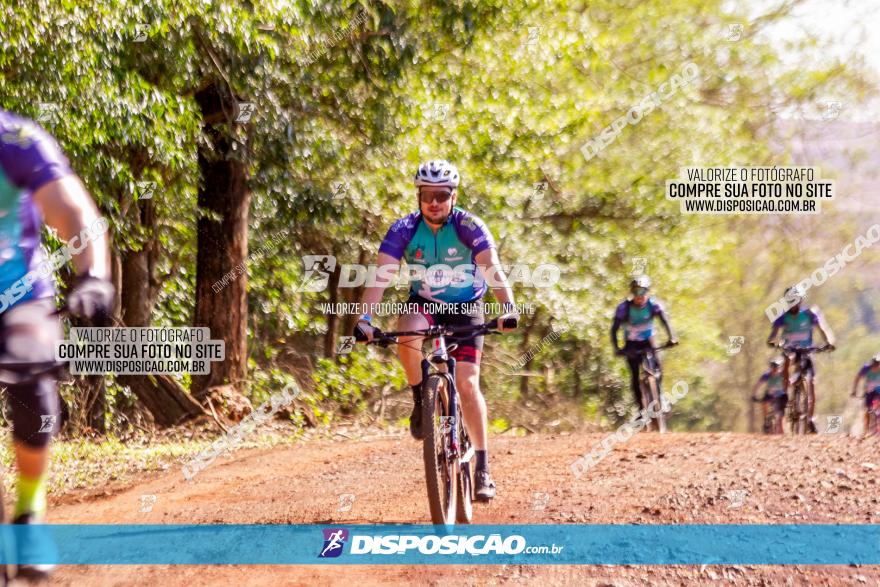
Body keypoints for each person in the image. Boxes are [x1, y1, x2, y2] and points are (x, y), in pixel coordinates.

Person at [354, 159, 518, 502]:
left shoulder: (470, 225)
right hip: (425, 303)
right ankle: (420, 398)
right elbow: (380, 277)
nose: (434, 202)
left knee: (468, 383)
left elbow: (492, 269)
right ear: (418, 196)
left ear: (453, 196)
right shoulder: (403, 229)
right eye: (427, 194)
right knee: (407, 330)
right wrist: (365, 319)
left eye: (441, 195)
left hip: (467, 307)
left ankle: (483, 467)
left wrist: (508, 308)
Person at [0, 110, 115, 580]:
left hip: (18, 295)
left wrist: (92, 276)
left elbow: (74, 214)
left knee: (32, 379)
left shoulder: (16, 140)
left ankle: (30, 510)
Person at [766, 284, 834, 434]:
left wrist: (829, 342)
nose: (793, 304)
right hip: (790, 349)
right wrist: (772, 341)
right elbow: (773, 334)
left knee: (811, 382)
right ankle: (784, 393)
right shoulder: (783, 317)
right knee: (787, 360)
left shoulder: (809, 314)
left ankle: (810, 419)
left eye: (796, 300)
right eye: (790, 301)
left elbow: (822, 329)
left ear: (801, 300)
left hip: (806, 351)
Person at [610, 275, 677, 411]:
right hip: (631, 343)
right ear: (632, 293)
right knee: (634, 375)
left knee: (658, 369)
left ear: (647, 292)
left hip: (649, 340)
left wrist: (672, 338)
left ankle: (660, 397)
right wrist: (617, 348)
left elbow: (665, 322)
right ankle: (641, 409)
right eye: (636, 292)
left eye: (642, 292)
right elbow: (614, 329)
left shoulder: (654, 305)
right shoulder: (623, 308)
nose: (639, 296)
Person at [751, 358, 787, 434]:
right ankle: (766, 420)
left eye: (776, 367)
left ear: (779, 367)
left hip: (780, 396)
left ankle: (781, 433)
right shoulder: (766, 375)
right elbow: (758, 385)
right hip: (769, 395)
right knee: (764, 403)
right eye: (773, 367)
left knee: (780, 416)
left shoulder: (782, 375)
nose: (774, 369)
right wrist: (754, 395)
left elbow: (788, 384)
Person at [851, 354, 880, 435]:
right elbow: (857, 378)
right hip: (869, 390)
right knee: (868, 410)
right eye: (875, 363)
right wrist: (854, 390)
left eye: (877, 363)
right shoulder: (866, 368)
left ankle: (876, 430)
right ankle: (866, 430)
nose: (876, 365)